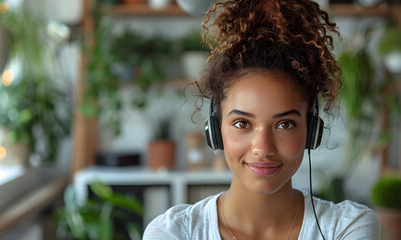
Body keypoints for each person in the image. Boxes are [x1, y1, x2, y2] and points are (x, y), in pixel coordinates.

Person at [143, 0, 380, 239]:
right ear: (215, 129)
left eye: (285, 124)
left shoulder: (347, 227)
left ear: (311, 131)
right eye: (242, 123)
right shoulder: (172, 232)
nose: (263, 148)